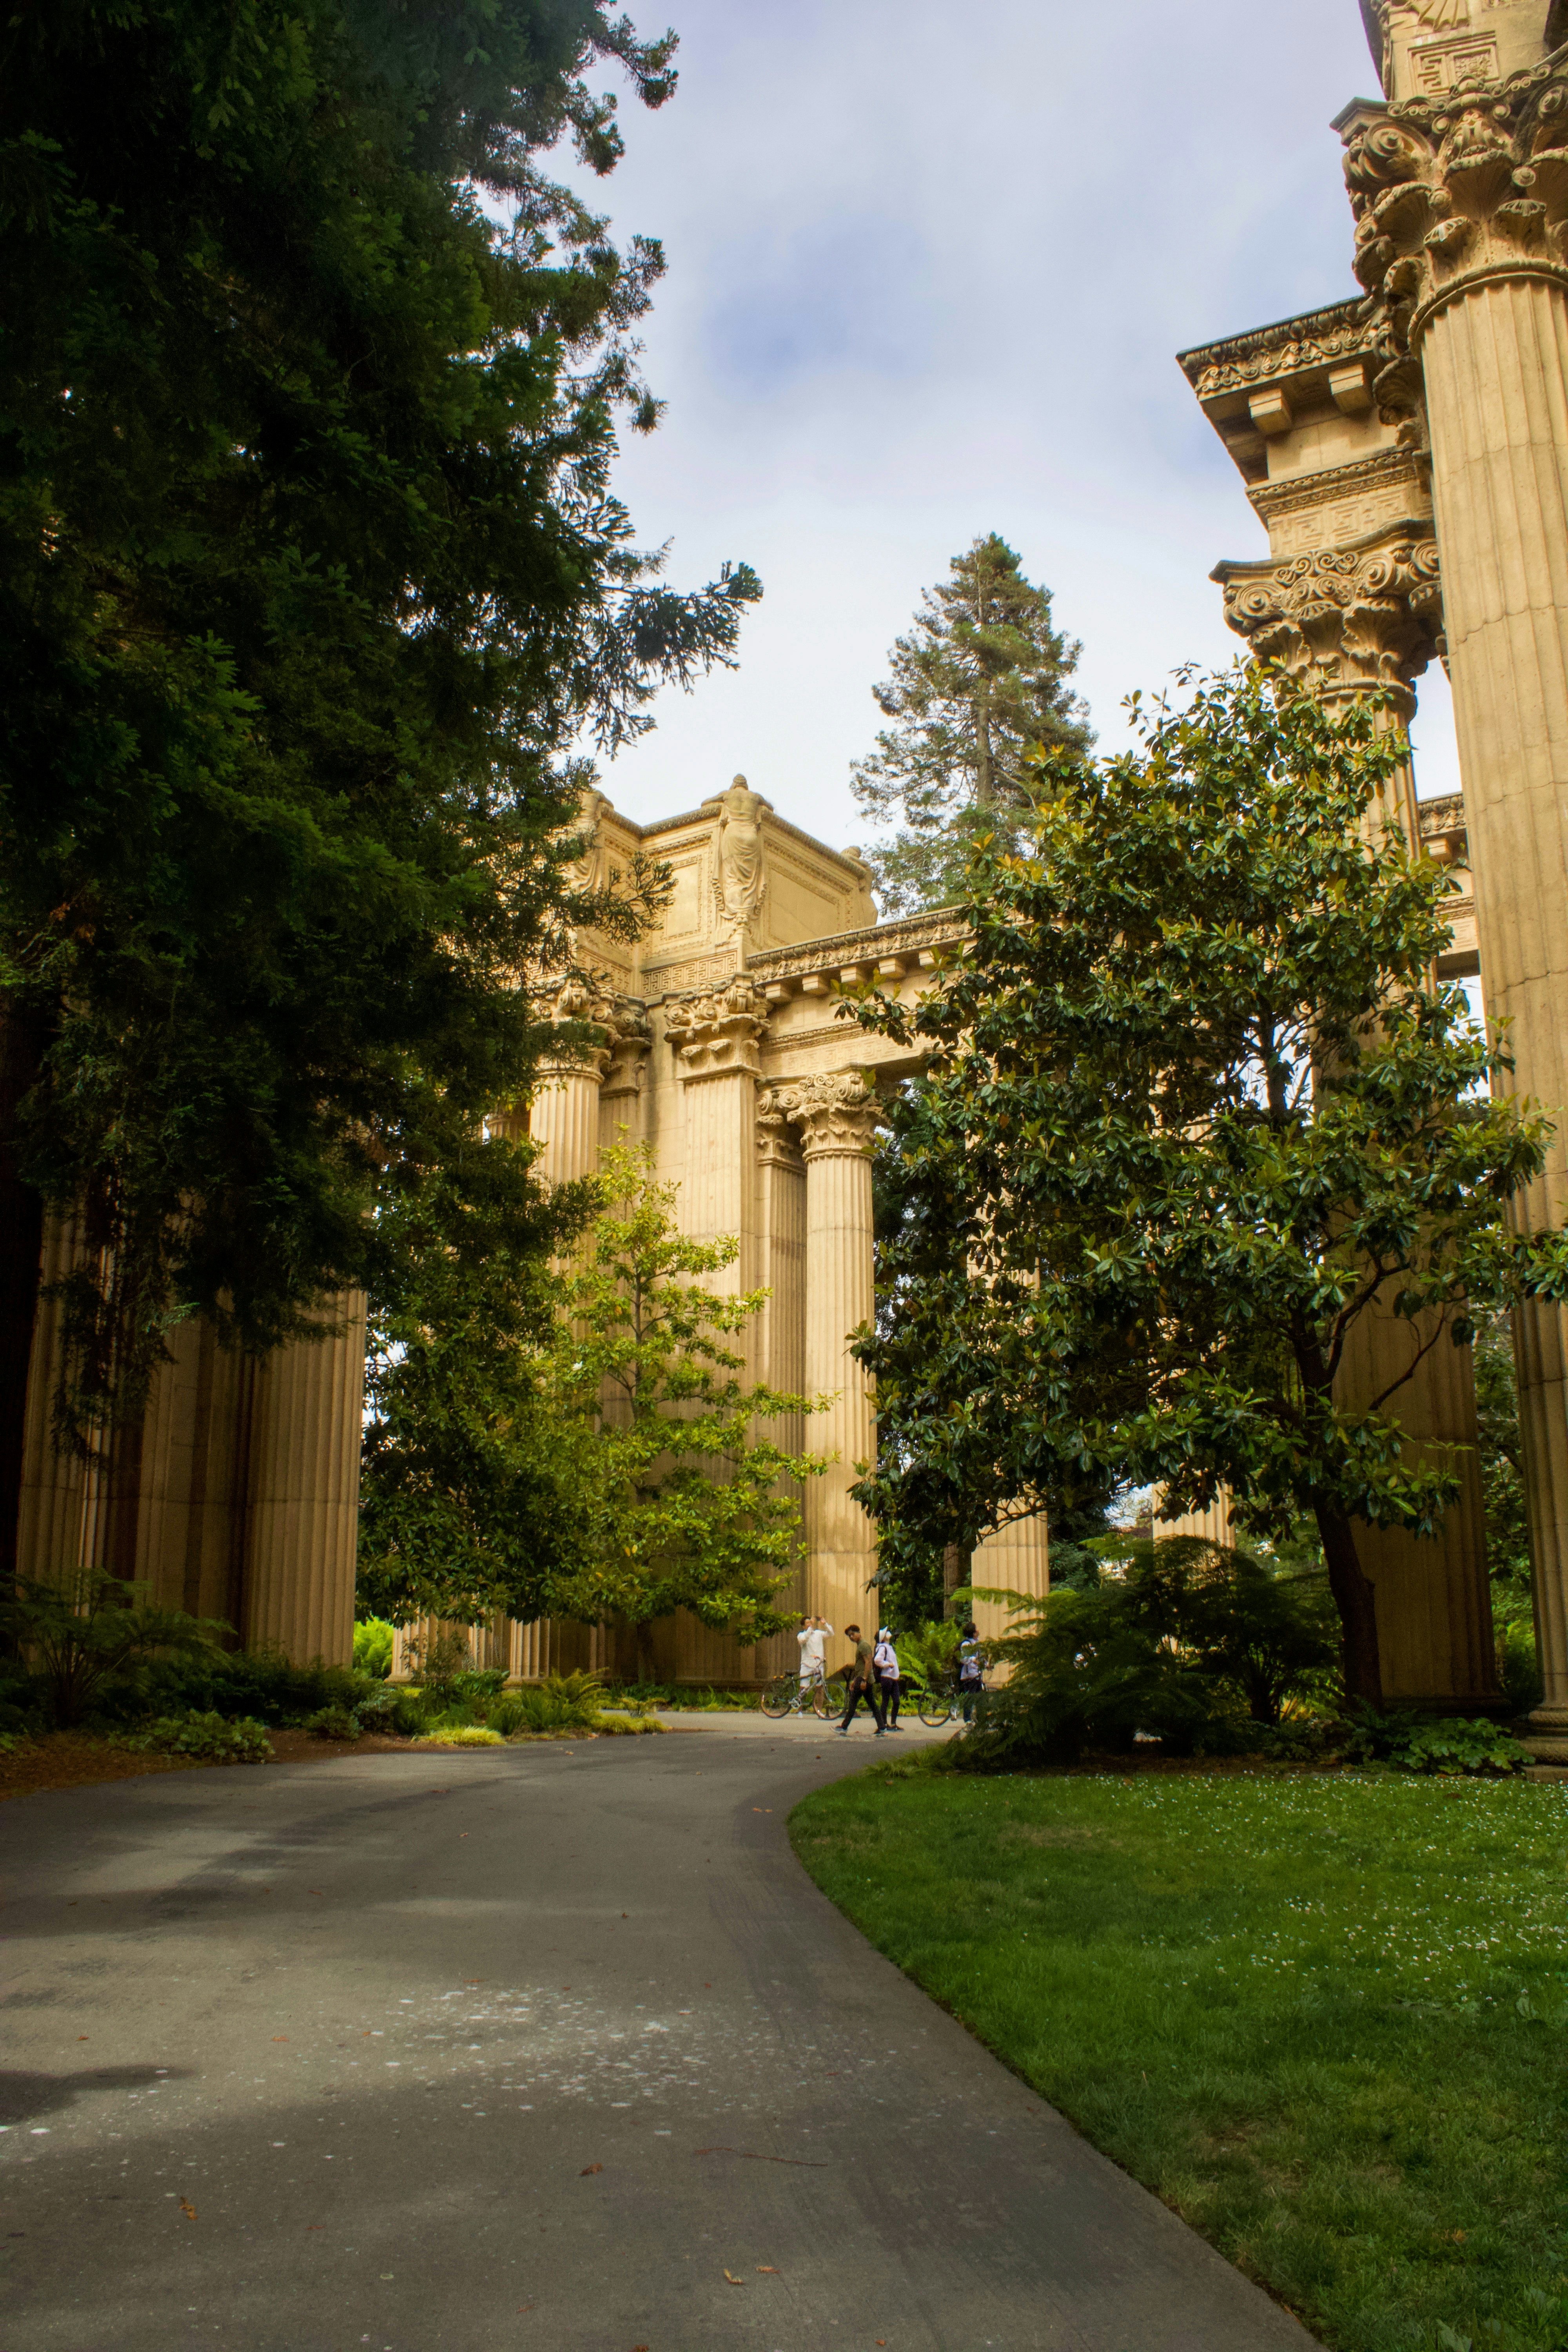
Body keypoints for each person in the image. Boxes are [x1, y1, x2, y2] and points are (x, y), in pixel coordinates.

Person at [837, 1624, 886, 1735]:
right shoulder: (860, 1645)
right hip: (862, 1678)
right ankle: (882, 1728)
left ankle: (844, 1727)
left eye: (853, 1634)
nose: (851, 1637)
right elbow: (860, 1665)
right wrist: (855, 1680)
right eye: (849, 1636)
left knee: (853, 1703)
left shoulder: (864, 1646)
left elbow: (868, 1662)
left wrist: (864, 1680)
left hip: (864, 1679)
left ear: (859, 1633)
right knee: (872, 1704)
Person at [957, 1620, 987, 1725]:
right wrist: (973, 1660)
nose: (978, 1631)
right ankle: (967, 1719)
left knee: (979, 1697)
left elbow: (981, 1658)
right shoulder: (967, 1644)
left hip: (977, 1674)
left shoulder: (976, 1643)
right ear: (973, 1633)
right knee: (970, 1697)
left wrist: (986, 1665)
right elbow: (964, 1659)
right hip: (969, 1676)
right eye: (976, 1630)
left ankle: (981, 1719)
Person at [873, 1627, 903, 1730]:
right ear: (883, 1638)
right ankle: (885, 1724)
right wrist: (888, 1664)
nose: (889, 1634)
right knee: (885, 1701)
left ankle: (893, 1724)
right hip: (886, 1677)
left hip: (893, 1678)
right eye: (886, 1634)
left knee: (897, 1701)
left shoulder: (889, 1647)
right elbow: (877, 1660)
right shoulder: (883, 1648)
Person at [797, 1614, 832, 1700]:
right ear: (803, 1626)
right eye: (808, 1623)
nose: (810, 1624)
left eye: (810, 1622)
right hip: (807, 1665)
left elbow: (831, 1634)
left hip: (818, 1665)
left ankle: (819, 1708)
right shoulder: (801, 1635)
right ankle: (799, 1707)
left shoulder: (818, 1633)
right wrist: (810, 1628)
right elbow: (804, 1639)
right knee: (803, 1689)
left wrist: (825, 1624)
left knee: (820, 1689)